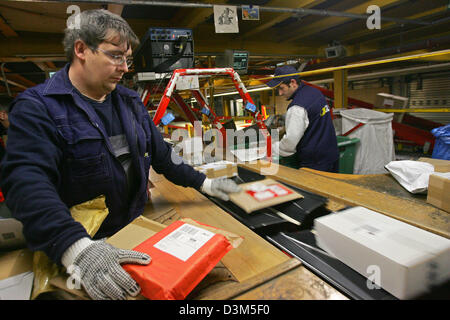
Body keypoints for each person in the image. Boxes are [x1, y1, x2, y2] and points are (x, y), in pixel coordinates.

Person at [0, 9, 241, 300]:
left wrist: (205, 183)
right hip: (80, 244)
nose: (125, 67)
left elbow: (163, 155)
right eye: (115, 56)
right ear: (81, 50)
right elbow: (27, 183)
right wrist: (75, 247)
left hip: (134, 231)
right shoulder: (39, 107)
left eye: (127, 58)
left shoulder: (129, 103)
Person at [266, 65, 339, 172]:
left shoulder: (297, 107)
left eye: (281, 88)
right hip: (331, 154)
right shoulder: (315, 92)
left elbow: (290, 144)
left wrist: (270, 149)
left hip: (315, 163)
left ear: (293, 83)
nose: (280, 93)